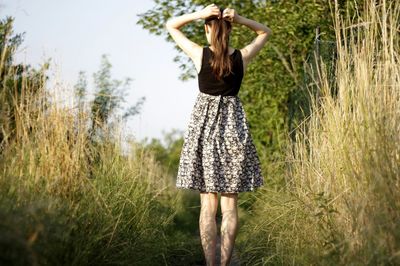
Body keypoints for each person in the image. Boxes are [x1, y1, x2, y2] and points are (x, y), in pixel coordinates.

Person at [165, 3, 272, 266]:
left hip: (204, 135)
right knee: (229, 207)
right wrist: (241, 19)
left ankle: (211, 264)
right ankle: (224, 264)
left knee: (208, 207)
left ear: (207, 29)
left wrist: (199, 14)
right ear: (230, 30)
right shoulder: (241, 57)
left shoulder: (199, 55)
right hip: (233, 133)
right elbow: (265, 32)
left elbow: (170, 25)